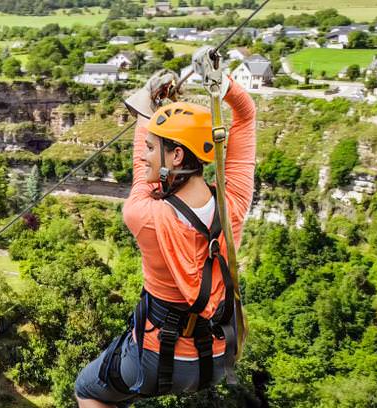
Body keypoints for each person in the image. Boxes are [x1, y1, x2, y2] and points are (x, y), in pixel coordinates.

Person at [74, 47, 256, 407]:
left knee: (88, 389)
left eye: (151, 147)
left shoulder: (144, 215)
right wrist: (223, 84)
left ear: (175, 156)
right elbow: (246, 117)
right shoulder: (233, 201)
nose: (143, 155)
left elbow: (142, 176)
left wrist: (152, 107)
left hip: (155, 360)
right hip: (218, 357)